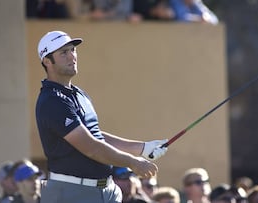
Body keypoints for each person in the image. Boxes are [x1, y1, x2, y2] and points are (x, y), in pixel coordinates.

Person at [35, 30, 168, 203]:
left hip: (104, 190)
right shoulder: (51, 101)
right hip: (71, 192)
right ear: (47, 61)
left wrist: (142, 148)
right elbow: (91, 147)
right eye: (63, 53)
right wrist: (133, 162)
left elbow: (94, 136)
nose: (72, 56)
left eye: (72, 50)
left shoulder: (78, 94)